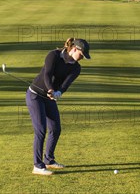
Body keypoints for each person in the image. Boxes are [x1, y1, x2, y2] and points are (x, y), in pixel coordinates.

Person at [26, 38, 91, 176]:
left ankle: (49, 159)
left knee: (56, 129)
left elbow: (65, 84)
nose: (82, 58)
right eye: (81, 55)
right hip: (35, 95)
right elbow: (47, 74)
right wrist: (50, 89)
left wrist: (58, 93)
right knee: (41, 130)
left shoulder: (76, 68)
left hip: (49, 98)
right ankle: (37, 166)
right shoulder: (53, 55)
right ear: (74, 49)